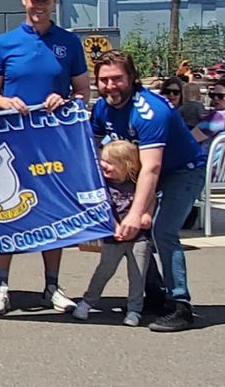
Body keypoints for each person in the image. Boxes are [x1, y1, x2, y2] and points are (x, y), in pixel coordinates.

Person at [0, 0, 90, 315]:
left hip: (53, 141)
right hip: (11, 141)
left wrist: (66, 98)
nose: (39, 4)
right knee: (5, 209)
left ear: (53, 2)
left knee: (53, 209)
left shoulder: (69, 43)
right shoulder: (5, 42)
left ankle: (52, 286)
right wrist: (5, 102)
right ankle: (1, 286)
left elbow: (83, 93)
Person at [91, 50, 206, 332]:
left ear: (132, 78)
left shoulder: (151, 110)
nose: (110, 85)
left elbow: (152, 169)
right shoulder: (102, 107)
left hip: (181, 170)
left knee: (161, 230)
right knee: (140, 232)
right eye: (104, 80)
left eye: (117, 78)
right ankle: (154, 292)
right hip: (141, 171)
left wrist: (134, 212)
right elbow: (92, 149)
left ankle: (181, 305)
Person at [72, 140, 151, 327]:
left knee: (138, 274)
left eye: (110, 162)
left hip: (139, 237)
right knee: (104, 270)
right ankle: (87, 302)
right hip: (113, 236)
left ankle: (134, 310)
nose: (103, 165)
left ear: (127, 165)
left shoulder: (138, 181)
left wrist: (147, 214)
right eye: (103, 160)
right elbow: (103, 208)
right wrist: (114, 226)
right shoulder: (102, 184)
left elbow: (150, 196)